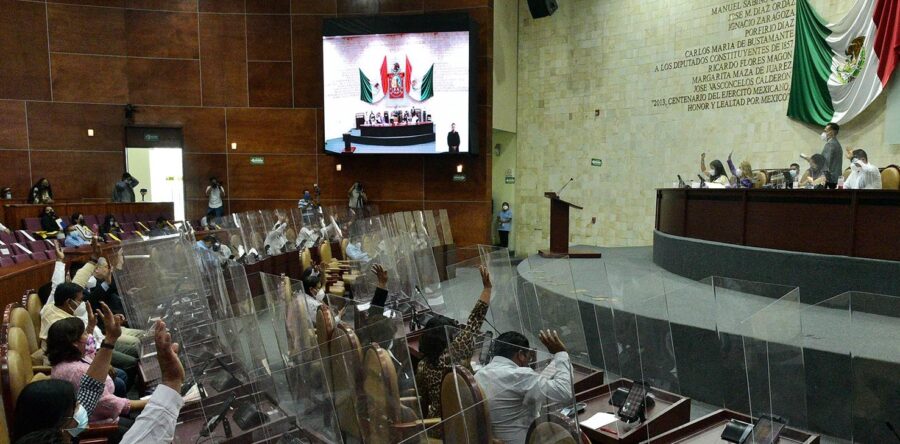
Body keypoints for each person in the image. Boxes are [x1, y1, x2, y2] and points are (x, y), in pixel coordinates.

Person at [13, 315, 185, 444]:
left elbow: (89, 391)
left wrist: (110, 340)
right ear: (58, 424)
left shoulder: (60, 432)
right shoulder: (68, 431)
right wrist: (171, 382)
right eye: (75, 407)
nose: (82, 407)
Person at [416, 266, 491, 419]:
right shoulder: (455, 352)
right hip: (463, 423)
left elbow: (423, 398)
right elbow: (475, 319)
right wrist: (487, 288)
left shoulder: (422, 365)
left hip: (436, 425)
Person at [474, 330, 573, 444]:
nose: (529, 361)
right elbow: (564, 391)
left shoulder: (479, 375)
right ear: (521, 355)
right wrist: (561, 353)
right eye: (528, 356)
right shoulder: (520, 376)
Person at [47, 317, 147, 428]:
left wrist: (91, 327)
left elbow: (90, 354)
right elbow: (107, 403)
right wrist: (148, 402)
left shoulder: (66, 359)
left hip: (96, 415)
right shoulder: (77, 371)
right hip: (98, 426)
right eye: (85, 333)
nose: (89, 336)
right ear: (74, 343)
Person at [802, 122, 843, 188]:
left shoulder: (830, 144)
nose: (824, 133)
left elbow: (825, 163)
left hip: (829, 179)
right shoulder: (836, 143)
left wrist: (812, 161)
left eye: (825, 131)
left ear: (832, 132)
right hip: (835, 178)